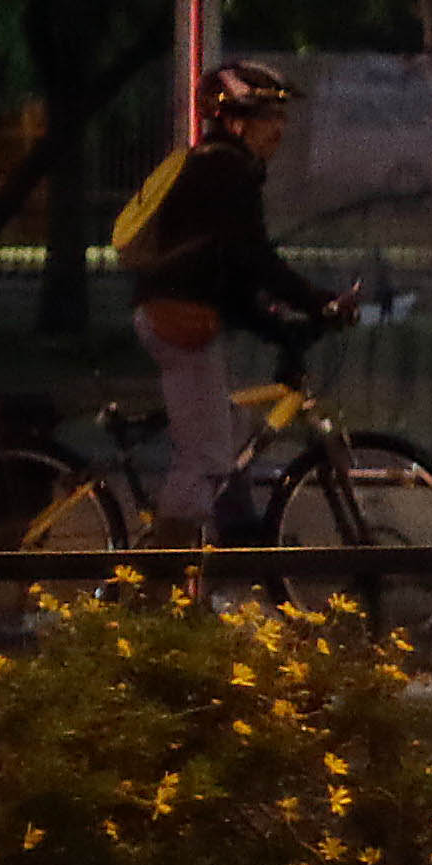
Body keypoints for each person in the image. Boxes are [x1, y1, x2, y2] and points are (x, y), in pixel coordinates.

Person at [113, 63, 347, 537]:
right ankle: (159, 586)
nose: (279, 130)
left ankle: (239, 529)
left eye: (282, 117)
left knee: (232, 424)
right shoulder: (225, 169)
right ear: (235, 120)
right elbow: (252, 256)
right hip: (179, 318)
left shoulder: (218, 168)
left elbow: (230, 273)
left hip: (180, 312)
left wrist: (278, 329)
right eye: (267, 118)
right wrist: (317, 302)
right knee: (203, 458)